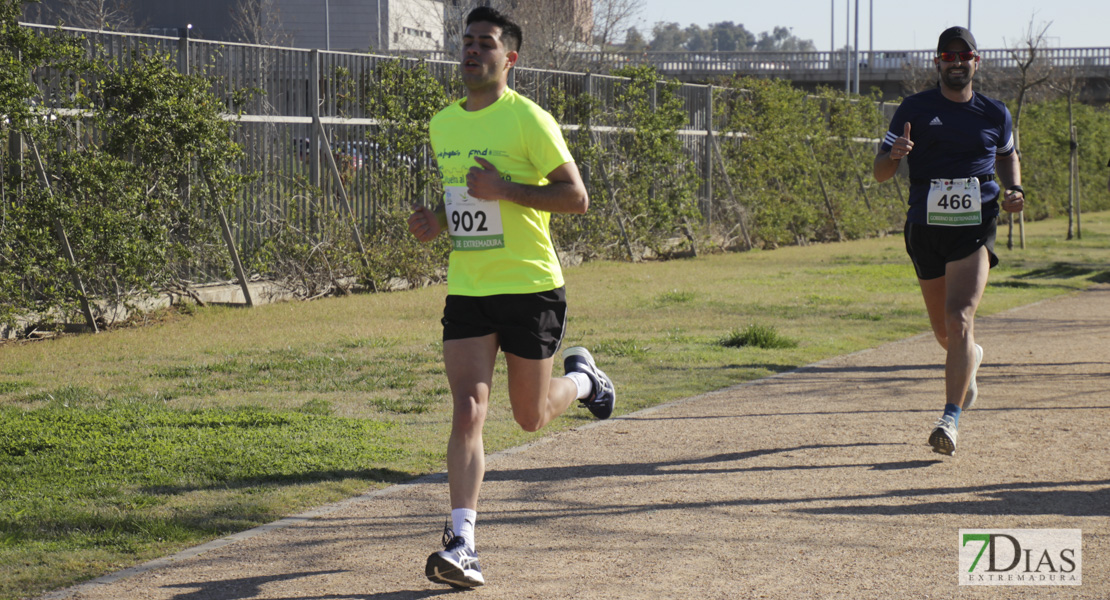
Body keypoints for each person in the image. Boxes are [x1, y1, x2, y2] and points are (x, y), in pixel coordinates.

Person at [407, 6, 616, 589]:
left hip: (530, 286)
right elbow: (468, 205)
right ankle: (462, 541)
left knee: (529, 417)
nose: (473, 51)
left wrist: (504, 188)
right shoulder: (442, 123)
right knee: (469, 410)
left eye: (487, 43)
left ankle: (585, 382)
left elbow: (576, 198)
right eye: (467, 41)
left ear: (510, 58)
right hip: (470, 286)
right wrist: (438, 223)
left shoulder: (530, 119)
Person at [873, 26, 1025, 456]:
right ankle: (971, 356)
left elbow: (1007, 154)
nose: (956, 63)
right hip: (925, 226)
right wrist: (895, 155)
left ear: (976, 61)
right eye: (948, 56)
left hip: (975, 225)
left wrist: (1014, 190)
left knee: (959, 317)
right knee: (944, 331)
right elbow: (879, 171)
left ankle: (949, 420)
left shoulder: (994, 113)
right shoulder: (914, 109)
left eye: (964, 56)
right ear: (937, 62)